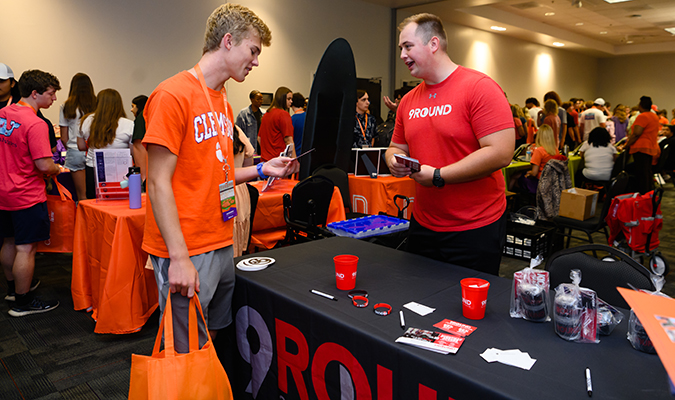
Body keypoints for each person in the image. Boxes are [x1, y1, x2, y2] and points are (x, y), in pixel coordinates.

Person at [141, 3, 298, 356]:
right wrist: (178, 258)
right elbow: (157, 183)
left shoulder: (224, 101)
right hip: (186, 248)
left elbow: (217, 173)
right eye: (253, 50)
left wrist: (261, 170)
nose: (256, 61)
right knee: (185, 351)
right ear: (228, 41)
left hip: (220, 240)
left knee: (217, 339)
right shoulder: (172, 95)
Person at [385, 13, 514, 275]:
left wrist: (438, 176)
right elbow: (395, 147)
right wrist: (393, 161)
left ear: (433, 44)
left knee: (467, 311)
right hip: (424, 224)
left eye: (408, 46)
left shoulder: (479, 87)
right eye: (401, 48)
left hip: (475, 227)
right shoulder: (408, 101)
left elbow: (500, 153)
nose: (402, 55)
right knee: (419, 302)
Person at [1, 69, 61, 316]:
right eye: (51, 93)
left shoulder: (3, 114)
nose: (54, 99)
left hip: (3, 193)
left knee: (8, 242)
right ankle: (23, 302)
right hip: (25, 194)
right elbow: (44, 165)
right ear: (35, 94)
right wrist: (58, 168)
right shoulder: (35, 123)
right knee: (26, 249)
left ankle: (12, 289)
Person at [77, 89, 134, 199]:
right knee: (119, 201)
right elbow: (132, 152)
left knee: (94, 201)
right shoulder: (129, 124)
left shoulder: (86, 121)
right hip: (120, 170)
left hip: (93, 168)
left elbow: (81, 146)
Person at [1, 63, 58, 153]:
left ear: (12, 83)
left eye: (1, 81)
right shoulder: (5, 111)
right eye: (51, 94)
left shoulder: (23, 109)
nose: (54, 98)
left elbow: (50, 151)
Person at [59, 73, 96, 201]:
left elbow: (64, 137)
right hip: (94, 151)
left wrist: (71, 148)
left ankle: (83, 221)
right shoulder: (97, 104)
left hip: (75, 151)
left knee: (82, 196)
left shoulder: (66, 106)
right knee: (97, 194)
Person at [622, 96, 660, 194]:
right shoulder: (654, 116)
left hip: (641, 148)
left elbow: (637, 133)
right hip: (651, 147)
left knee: (641, 173)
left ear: (640, 105)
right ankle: (648, 193)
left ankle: (642, 194)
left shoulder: (642, 116)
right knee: (647, 172)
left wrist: (627, 145)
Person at [520, 124, 561, 193]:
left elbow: (534, 173)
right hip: (552, 182)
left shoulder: (539, 151)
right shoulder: (556, 150)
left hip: (539, 183)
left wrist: (528, 173)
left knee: (518, 178)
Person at [259, 86, 295, 160]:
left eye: (291, 99)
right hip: (279, 161)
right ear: (281, 99)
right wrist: (294, 160)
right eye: (288, 99)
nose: (291, 101)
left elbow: (259, 138)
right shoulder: (283, 114)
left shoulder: (266, 114)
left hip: (265, 161)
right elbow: (289, 141)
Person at [131, 95, 149, 184]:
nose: (131, 110)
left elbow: (139, 145)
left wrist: (143, 176)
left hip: (145, 171)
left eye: (133, 106)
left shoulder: (140, 119)